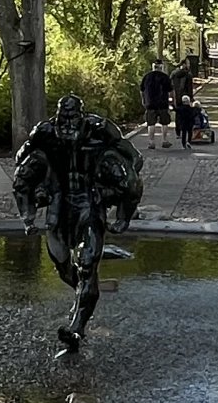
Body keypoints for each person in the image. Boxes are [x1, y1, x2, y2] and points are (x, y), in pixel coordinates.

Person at [11, 94, 143, 353]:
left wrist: (117, 204)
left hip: (90, 205)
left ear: (82, 116)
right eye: (64, 119)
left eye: (73, 118)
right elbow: (21, 165)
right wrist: (32, 204)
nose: (68, 124)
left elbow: (135, 162)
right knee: (63, 267)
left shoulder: (100, 129)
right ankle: (85, 294)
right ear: (57, 117)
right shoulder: (45, 132)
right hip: (59, 206)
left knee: (86, 264)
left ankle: (77, 327)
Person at [141, 57, 172, 147]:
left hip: (150, 103)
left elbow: (142, 90)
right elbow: (170, 90)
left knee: (151, 123)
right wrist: (171, 101)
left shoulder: (147, 77)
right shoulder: (165, 77)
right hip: (162, 103)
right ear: (161, 67)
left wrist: (144, 100)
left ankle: (151, 142)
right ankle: (165, 140)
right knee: (165, 122)